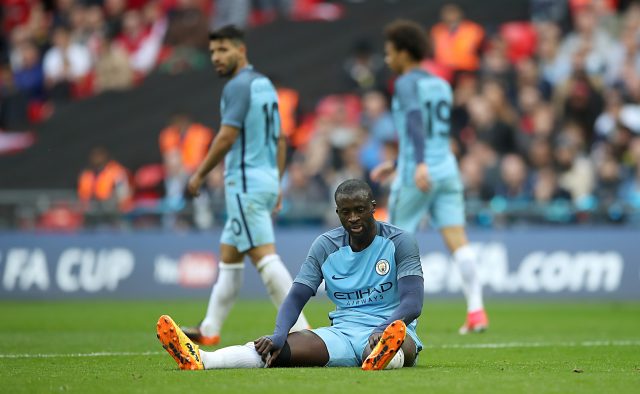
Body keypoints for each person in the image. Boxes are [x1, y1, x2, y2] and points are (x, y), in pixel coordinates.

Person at [157, 179, 424, 370]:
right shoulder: (325, 246)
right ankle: (202, 359)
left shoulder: (400, 241)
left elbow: (412, 303)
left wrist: (381, 329)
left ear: (373, 207)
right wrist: (279, 333)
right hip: (342, 333)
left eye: (359, 210)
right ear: (337, 213)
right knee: (274, 352)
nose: (353, 218)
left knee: (391, 346)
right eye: (346, 212)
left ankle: (384, 355)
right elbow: (296, 296)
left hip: (390, 328)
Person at [180, 25, 309, 345]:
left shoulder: (237, 87)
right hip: (265, 179)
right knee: (230, 257)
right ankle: (209, 328)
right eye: (212, 52)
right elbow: (280, 138)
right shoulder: (265, 85)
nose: (216, 57)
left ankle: (302, 330)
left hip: (245, 182)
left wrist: (198, 174)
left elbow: (226, 136)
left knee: (265, 257)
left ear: (241, 50)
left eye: (223, 50)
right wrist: (277, 181)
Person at [371, 20, 488, 334]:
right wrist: (397, 161)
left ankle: (401, 318)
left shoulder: (408, 82)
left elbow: (414, 121)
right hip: (446, 169)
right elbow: (433, 133)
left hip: (418, 173)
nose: (387, 59)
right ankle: (476, 310)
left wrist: (416, 163)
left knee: (395, 242)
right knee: (458, 240)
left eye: (390, 52)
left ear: (404, 53)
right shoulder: (440, 83)